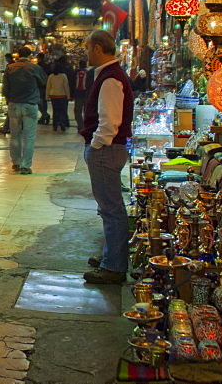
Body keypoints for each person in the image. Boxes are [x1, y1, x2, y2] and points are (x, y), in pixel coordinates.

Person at [81, 30, 134, 285]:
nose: (86, 52)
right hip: (109, 149)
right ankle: (110, 255)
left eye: (88, 47)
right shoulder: (108, 75)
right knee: (109, 208)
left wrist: (96, 145)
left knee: (111, 209)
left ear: (98, 49)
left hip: (106, 150)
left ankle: (113, 266)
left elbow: (109, 122)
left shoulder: (111, 79)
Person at [2, 48, 47, 174]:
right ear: (30, 55)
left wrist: (8, 100)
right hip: (30, 104)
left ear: (18, 55)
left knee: (15, 135)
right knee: (29, 136)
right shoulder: (35, 68)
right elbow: (43, 81)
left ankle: (16, 162)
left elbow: (5, 89)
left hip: (14, 104)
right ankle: (25, 165)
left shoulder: (10, 68)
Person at [46, 59, 72, 132]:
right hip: (62, 95)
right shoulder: (63, 76)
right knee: (62, 110)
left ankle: (55, 125)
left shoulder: (51, 76)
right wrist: (68, 96)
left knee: (55, 111)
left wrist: (47, 96)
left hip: (53, 95)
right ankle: (62, 122)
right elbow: (66, 86)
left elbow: (48, 86)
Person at [36, 52, 52, 125]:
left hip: (39, 86)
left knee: (38, 102)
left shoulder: (37, 66)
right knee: (44, 102)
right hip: (46, 86)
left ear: (38, 58)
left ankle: (45, 115)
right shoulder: (47, 66)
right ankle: (43, 116)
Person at [73, 59, 90, 128]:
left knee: (77, 111)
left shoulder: (75, 72)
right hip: (86, 95)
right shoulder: (88, 72)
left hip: (77, 94)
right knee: (86, 111)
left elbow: (72, 83)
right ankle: (86, 125)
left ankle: (80, 125)